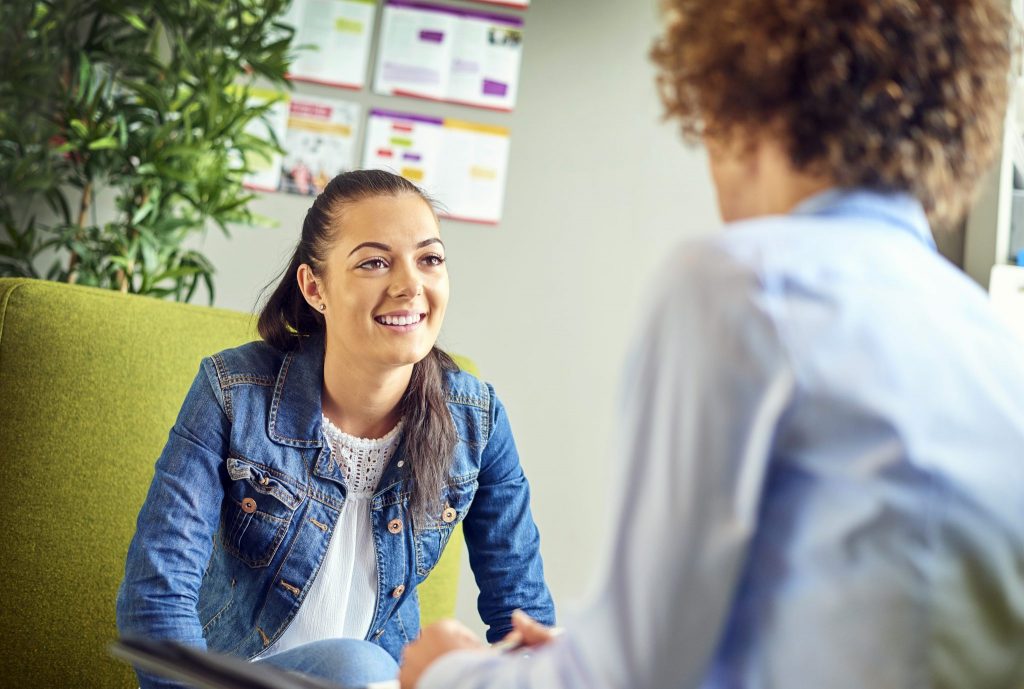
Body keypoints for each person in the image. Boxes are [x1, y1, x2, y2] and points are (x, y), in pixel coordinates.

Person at [399, 1, 1024, 688]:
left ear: (738, 99)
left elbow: (628, 677)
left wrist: (447, 671)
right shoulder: (992, 339)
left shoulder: (744, 282)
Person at [116, 169, 554, 689]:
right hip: (238, 680)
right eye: (374, 262)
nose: (410, 285)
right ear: (314, 288)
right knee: (356, 665)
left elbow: (523, 618)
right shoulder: (233, 392)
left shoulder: (477, 420)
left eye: (429, 259)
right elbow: (156, 595)